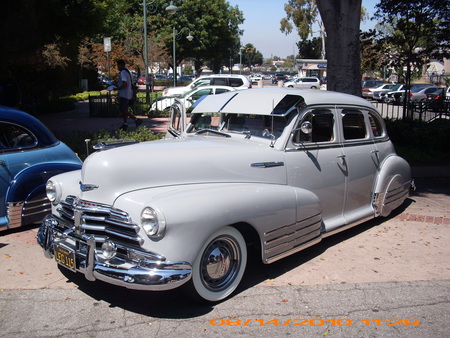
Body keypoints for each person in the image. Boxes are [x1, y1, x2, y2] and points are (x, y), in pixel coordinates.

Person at [116, 59, 142, 130]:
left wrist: (118, 88)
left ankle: (136, 120)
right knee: (125, 109)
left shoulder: (123, 72)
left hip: (124, 94)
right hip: (129, 93)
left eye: (118, 65)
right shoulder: (128, 71)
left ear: (121, 65)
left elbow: (125, 83)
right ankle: (125, 124)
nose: (117, 67)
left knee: (123, 110)